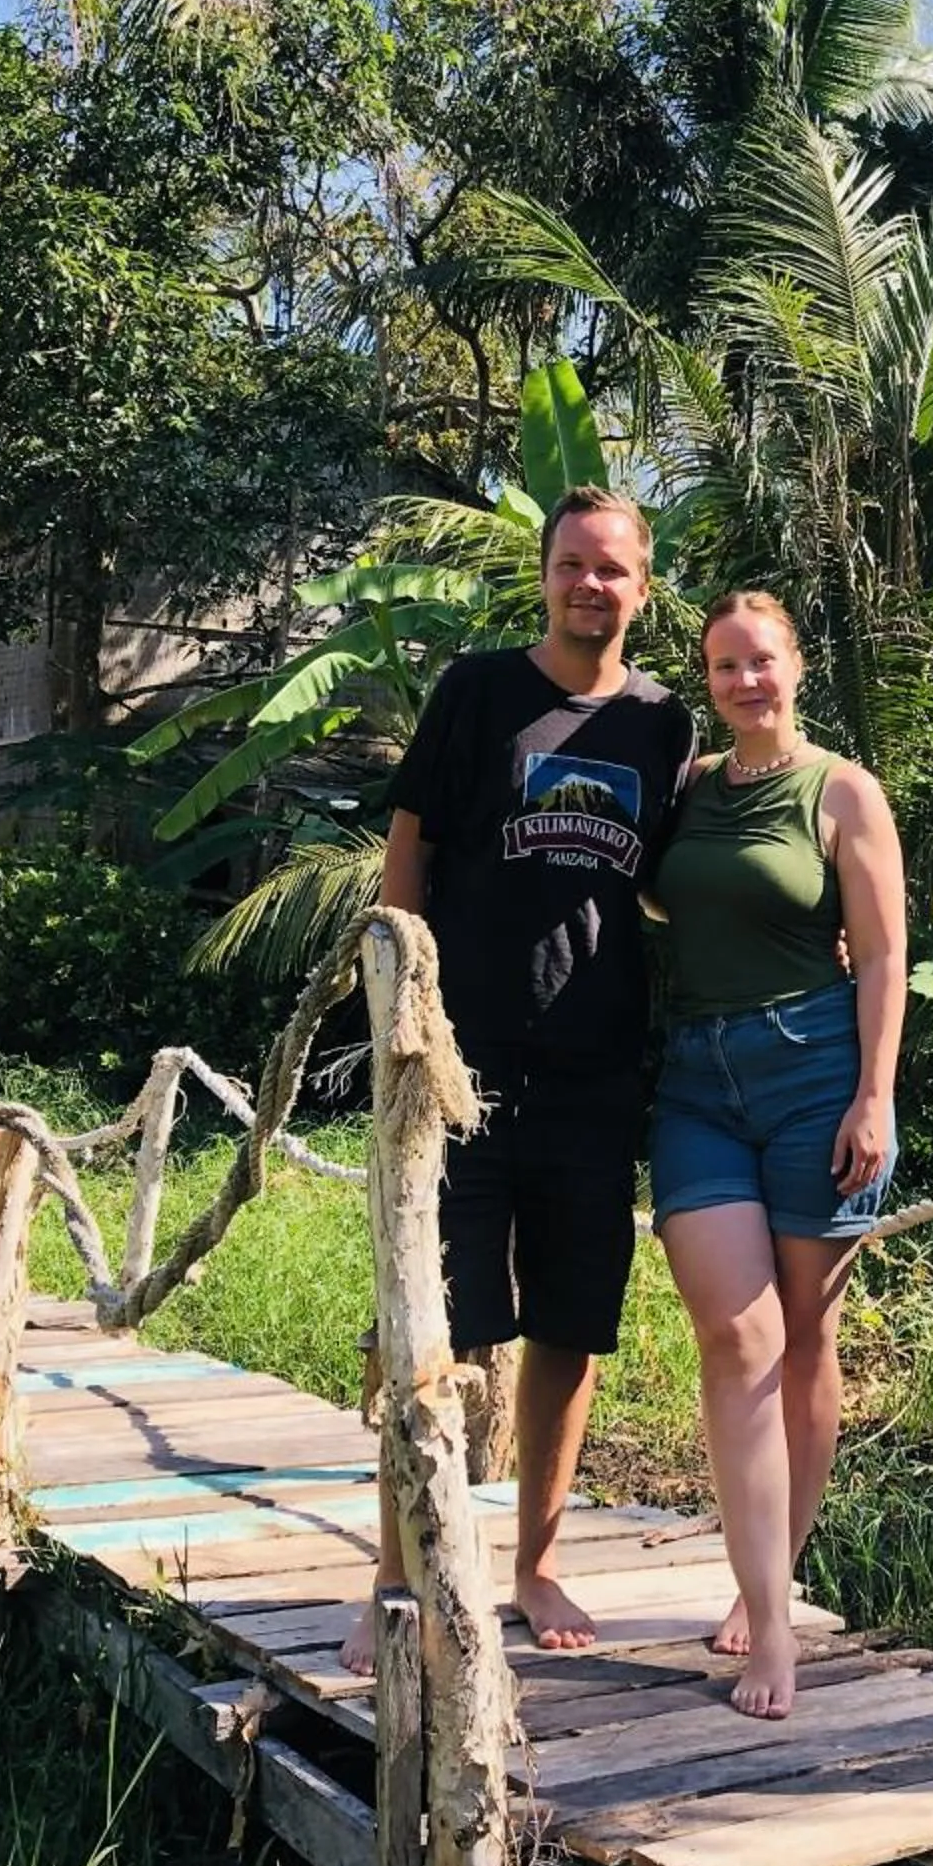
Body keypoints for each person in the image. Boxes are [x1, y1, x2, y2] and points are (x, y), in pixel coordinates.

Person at [353, 486, 697, 1660]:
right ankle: (400, 1572)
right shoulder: (479, 693)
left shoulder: (664, 724)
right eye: (572, 564)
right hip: (462, 1064)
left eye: (613, 570)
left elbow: (669, 881)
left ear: (642, 589)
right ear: (545, 575)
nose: (589, 585)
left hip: (599, 1071)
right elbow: (413, 849)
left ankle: (537, 1568)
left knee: (569, 1326)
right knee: (429, 1323)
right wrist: (402, 1016)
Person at [649, 590, 907, 1719]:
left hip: (814, 1079)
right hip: (696, 1082)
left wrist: (874, 1097)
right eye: (723, 667)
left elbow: (887, 955)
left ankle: (770, 1595)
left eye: (761, 662)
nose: (745, 681)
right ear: (705, 680)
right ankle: (769, 1623)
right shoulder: (692, 788)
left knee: (804, 1340)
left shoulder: (843, 790)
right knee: (736, 1333)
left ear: (796, 667)